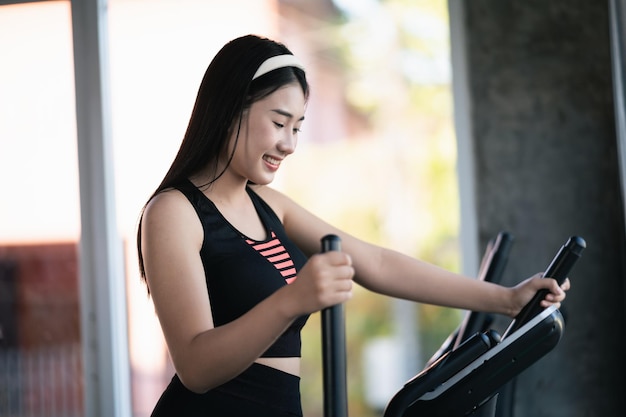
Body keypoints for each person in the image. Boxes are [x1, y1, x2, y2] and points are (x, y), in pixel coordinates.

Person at [137, 34, 570, 417]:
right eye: (278, 123)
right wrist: (293, 300)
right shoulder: (174, 212)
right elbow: (194, 366)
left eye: (298, 127)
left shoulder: (269, 205)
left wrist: (508, 299)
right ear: (232, 108)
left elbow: (378, 264)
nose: (289, 144)